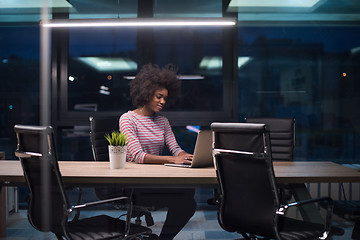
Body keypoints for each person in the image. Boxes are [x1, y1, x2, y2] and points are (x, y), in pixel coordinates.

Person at [119, 63, 196, 240]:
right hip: (135, 184)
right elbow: (138, 156)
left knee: (188, 195)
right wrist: (172, 159)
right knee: (186, 201)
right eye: (159, 97)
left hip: (155, 179)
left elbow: (175, 149)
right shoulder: (128, 119)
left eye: (165, 98)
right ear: (146, 93)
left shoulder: (163, 121)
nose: (163, 102)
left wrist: (185, 156)